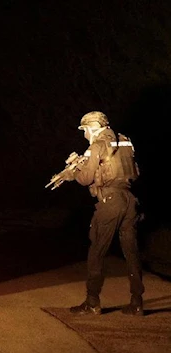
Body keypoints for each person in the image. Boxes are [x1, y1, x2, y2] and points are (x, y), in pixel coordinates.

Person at [63, 111, 144, 316]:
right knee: (131, 252)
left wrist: (73, 171)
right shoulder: (125, 141)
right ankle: (136, 302)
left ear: (93, 127)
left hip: (110, 201)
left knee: (97, 251)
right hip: (130, 200)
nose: (84, 135)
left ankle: (92, 302)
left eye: (85, 130)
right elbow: (135, 171)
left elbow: (85, 178)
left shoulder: (97, 145)